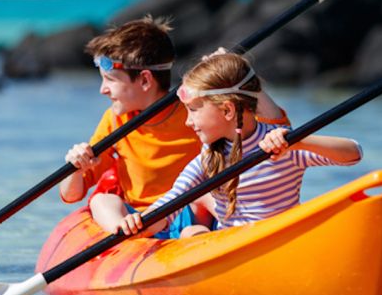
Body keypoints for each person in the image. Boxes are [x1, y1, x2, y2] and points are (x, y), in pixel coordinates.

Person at [60, 18, 287, 238]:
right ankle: (124, 236)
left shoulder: (194, 112)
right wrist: (77, 168)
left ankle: (198, 241)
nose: (103, 89)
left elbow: (276, 128)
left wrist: (240, 78)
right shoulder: (115, 120)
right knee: (101, 200)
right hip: (139, 218)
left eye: (110, 79)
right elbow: (72, 195)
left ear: (146, 80)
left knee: (205, 196)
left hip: (190, 213)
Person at [118, 51, 362, 239]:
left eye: (193, 111)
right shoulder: (208, 157)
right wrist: (140, 221)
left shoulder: (283, 144)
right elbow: (173, 200)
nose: (188, 121)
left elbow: (353, 154)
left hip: (281, 240)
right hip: (233, 245)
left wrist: (298, 141)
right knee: (190, 234)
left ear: (227, 109)